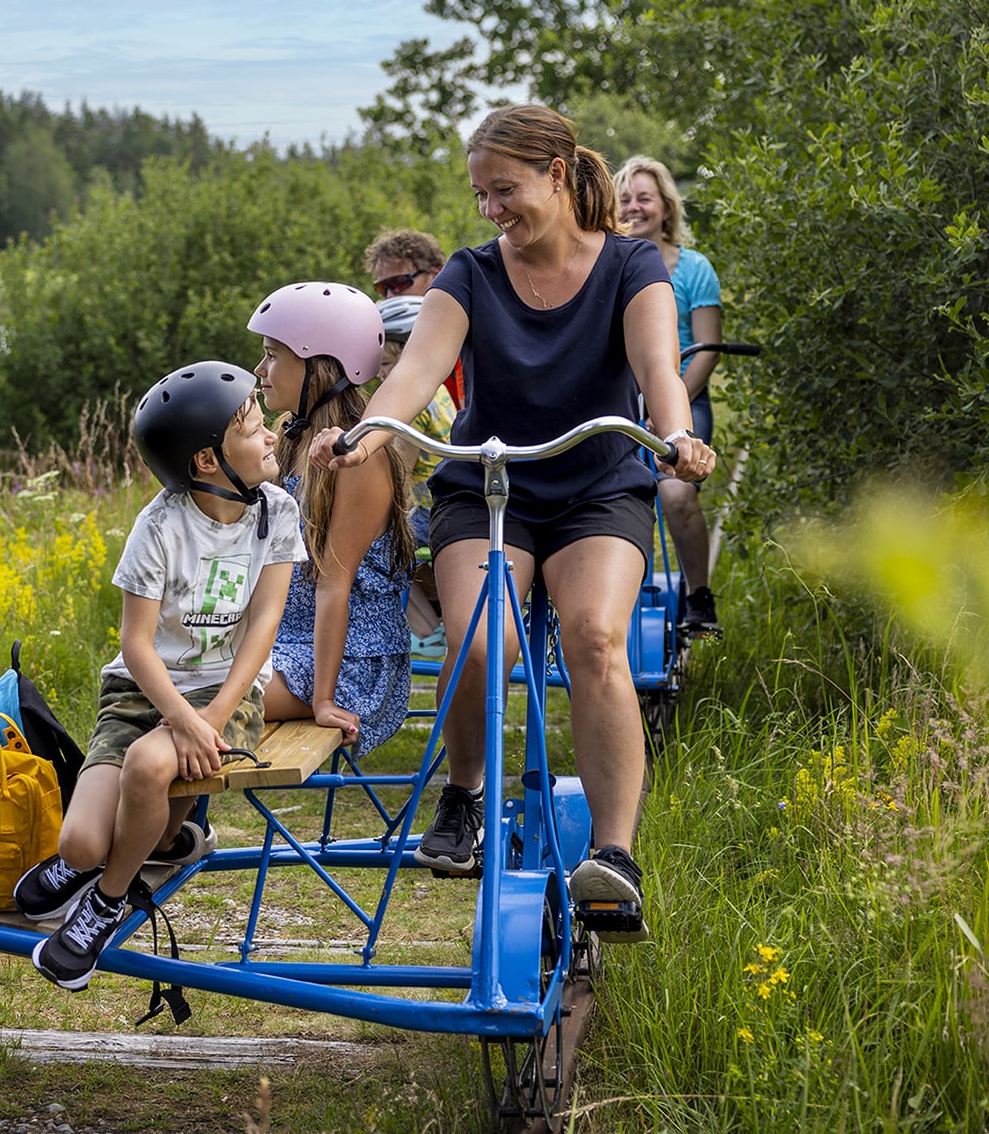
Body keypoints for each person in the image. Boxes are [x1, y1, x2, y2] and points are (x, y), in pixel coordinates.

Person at [314, 104, 716, 943]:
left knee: (597, 640)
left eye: (505, 189)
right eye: (480, 194)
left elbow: (656, 368)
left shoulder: (632, 265)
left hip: (597, 485)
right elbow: (416, 371)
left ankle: (614, 853)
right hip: (488, 485)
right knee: (480, 639)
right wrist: (369, 430)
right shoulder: (465, 274)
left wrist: (675, 435)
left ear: (558, 174)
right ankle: (463, 792)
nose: (492, 208)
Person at [19, 362, 305, 989]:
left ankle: (104, 902)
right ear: (207, 461)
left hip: (226, 691)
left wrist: (212, 718)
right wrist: (180, 718)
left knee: (149, 770)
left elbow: (265, 622)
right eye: (254, 428)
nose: (270, 436)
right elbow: (136, 644)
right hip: (140, 689)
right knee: (80, 846)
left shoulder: (276, 512)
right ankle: (131, 850)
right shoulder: (159, 526)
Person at [247, 282, 413, 750]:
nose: (260, 370)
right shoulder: (289, 434)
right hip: (282, 643)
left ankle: (182, 827)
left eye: (272, 355)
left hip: (347, 662)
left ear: (318, 366)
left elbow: (333, 584)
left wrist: (323, 698)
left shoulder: (360, 459)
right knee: (158, 690)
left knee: (200, 707)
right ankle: (179, 827)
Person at [615, 155, 725, 636]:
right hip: (618, 401)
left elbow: (708, 348)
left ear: (665, 207)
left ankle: (700, 597)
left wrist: (669, 411)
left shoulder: (694, 268)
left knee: (677, 494)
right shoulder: (606, 262)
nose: (634, 208)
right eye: (624, 200)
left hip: (684, 395)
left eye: (644, 198)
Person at [375, 292, 459, 659]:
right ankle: (428, 627)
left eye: (388, 364)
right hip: (445, 503)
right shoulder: (438, 392)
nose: (380, 375)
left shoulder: (412, 407)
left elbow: (396, 482)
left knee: (365, 546)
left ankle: (424, 631)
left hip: (433, 511)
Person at [365, 229, 464, 408]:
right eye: (382, 288)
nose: (390, 296)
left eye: (399, 283)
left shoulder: (466, 336)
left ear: (436, 274)